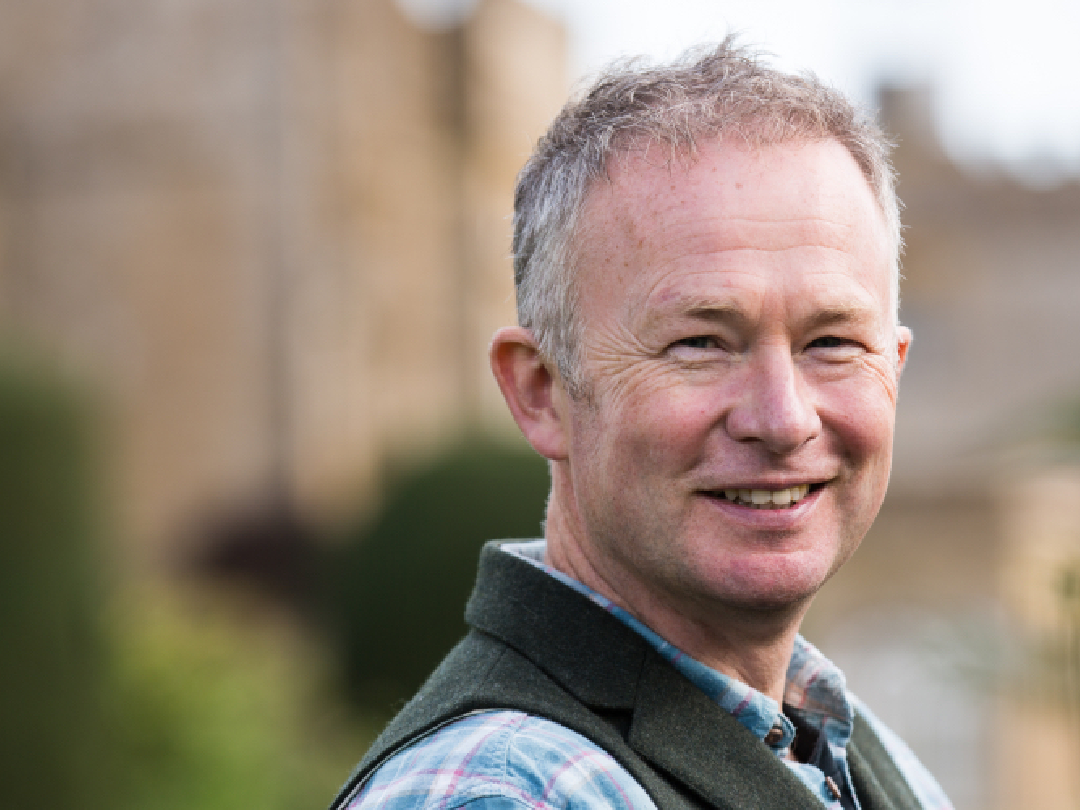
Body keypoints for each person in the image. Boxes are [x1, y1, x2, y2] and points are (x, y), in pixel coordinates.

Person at [330, 39, 952, 810]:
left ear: (893, 364)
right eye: (700, 343)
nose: (783, 419)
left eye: (831, 342)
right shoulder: (510, 793)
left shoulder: (861, 761)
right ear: (542, 392)